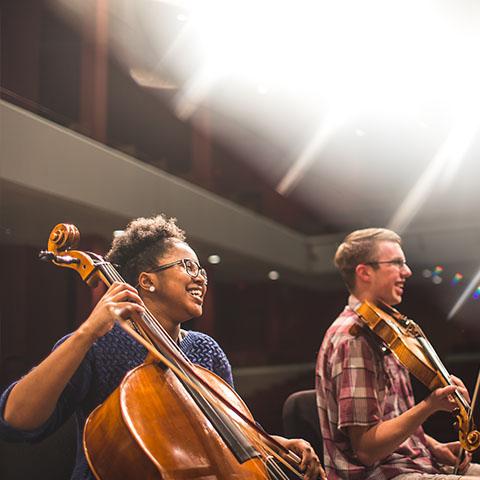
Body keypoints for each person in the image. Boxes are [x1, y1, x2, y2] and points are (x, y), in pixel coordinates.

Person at [0, 214, 323, 480]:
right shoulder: (97, 344)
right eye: (188, 266)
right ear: (146, 281)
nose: (200, 279)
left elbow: (223, 437)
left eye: (202, 270)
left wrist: (275, 447)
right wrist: (86, 333)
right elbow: (16, 421)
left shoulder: (205, 349)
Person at [316, 227, 480, 480]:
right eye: (397, 263)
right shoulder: (354, 337)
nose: (407, 271)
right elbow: (367, 450)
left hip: (412, 465)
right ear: (365, 272)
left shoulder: (384, 327)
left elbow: (391, 419)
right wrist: (429, 406)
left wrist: (434, 447)